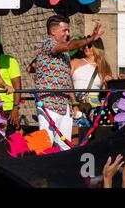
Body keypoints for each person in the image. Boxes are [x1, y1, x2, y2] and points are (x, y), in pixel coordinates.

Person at [34, 15, 104, 150]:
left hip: (64, 105)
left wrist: (74, 104)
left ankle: (61, 170)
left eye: (68, 30)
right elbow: (68, 45)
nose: (68, 33)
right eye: (65, 30)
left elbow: (67, 80)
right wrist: (89, 39)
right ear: (53, 31)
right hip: (48, 103)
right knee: (45, 143)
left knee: (65, 146)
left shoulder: (64, 56)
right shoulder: (48, 44)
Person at [71, 38, 113, 125]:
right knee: (75, 134)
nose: (86, 47)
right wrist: (74, 104)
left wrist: (108, 82)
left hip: (94, 106)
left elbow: (106, 92)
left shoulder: (104, 67)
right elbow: (66, 82)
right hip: (76, 103)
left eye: (89, 45)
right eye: (84, 45)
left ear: (97, 47)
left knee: (93, 134)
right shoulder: (75, 62)